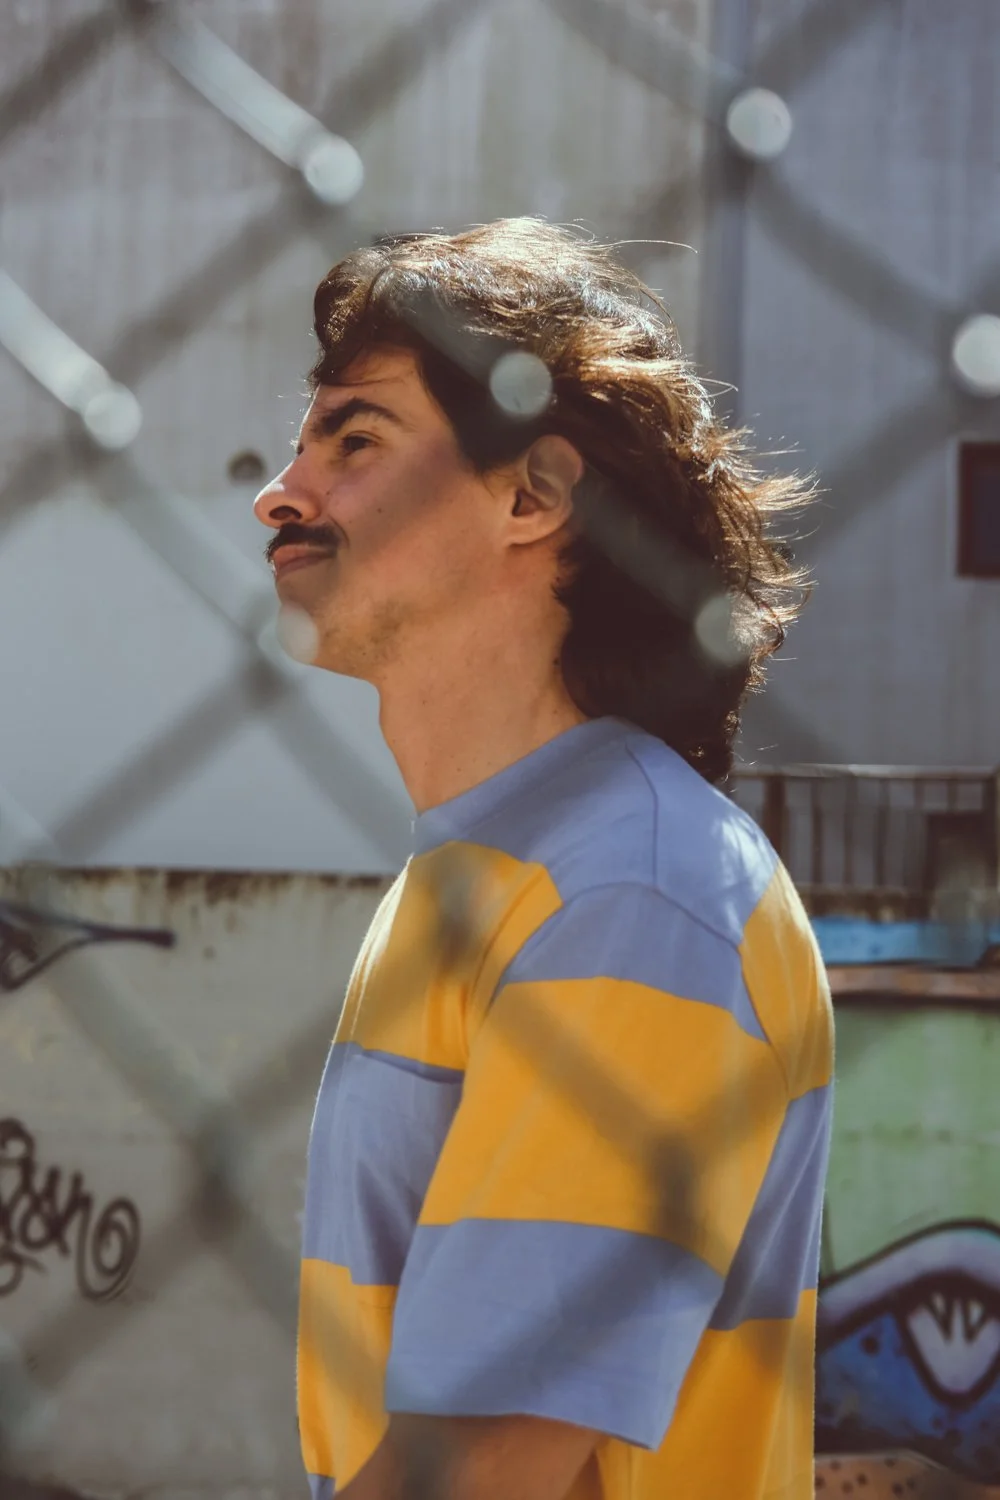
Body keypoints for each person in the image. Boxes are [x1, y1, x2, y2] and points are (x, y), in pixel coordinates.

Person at [254, 218, 833, 1500]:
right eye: (303, 445)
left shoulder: (630, 886)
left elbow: (482, 1467)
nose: (280, 492)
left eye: (355, 440)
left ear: (532, 495)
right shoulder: (486, 871)